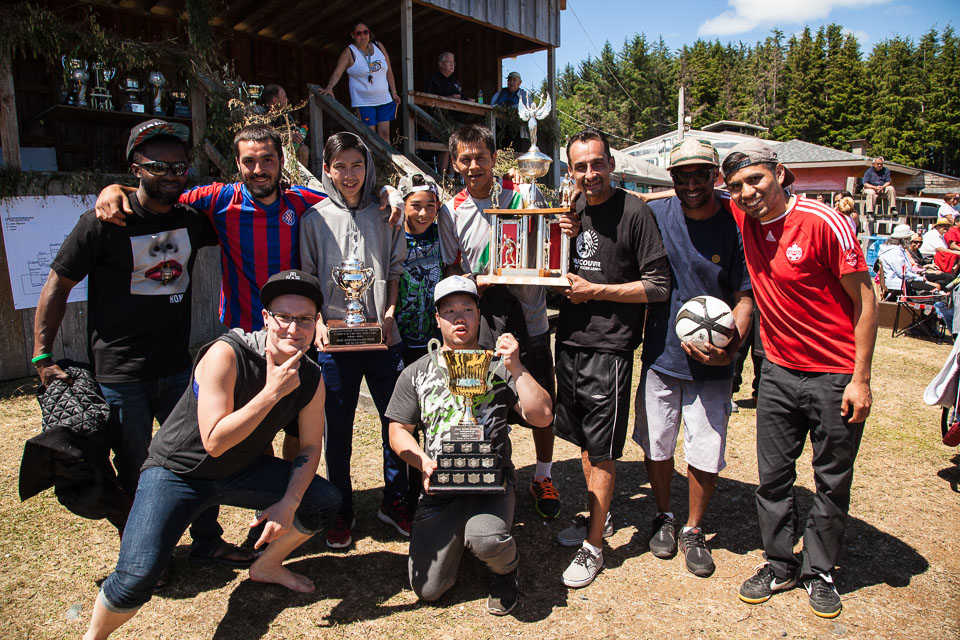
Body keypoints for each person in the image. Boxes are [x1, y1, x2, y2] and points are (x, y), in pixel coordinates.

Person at [34, 119, 248, 569]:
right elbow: (57, 285)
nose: (170, 175)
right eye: (158, 166)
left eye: (179, 167)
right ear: (135, 168)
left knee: (198, 456)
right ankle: (146, 555)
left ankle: (207, 540)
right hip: (121, 374)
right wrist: (42, 355)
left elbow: (243, 205)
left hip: (177, 368)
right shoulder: (103, 223)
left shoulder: (192, 221)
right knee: (136, 468)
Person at [81, 269, 341, 640]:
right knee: (135, 579)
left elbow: (312, 446)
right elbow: (214, 441)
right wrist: (272, 392)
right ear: (266, 318)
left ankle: (266, 566)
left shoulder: (311, 377)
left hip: (240, 471)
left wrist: (288, 503)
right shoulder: (226, 353)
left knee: (323, 501)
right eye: (284, 317)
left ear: (316, 323)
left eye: (304, 319)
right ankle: (94, 636)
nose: (293, 328)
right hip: (177, 472)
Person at [721, 140, 877, 619]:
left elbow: (866, 300)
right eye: (736, 186)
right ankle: (779, 563)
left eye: (756, 179)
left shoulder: (823, 222)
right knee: (773, 478)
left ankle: (820, 571)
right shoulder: (744, 216)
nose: (747, 192)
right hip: (777, 372)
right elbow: (681, 195)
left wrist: (861, 378)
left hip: (834, 374)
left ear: (781, 173)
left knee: (831, 479)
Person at [386, 275, 552, 615]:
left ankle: (505, 568)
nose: (459, 318)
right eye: (450, 311)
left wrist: (517, 366)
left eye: (467, 309)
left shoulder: (499, 365)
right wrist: (423, 462)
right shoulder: (417, 371)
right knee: (428, 589)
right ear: (437, 319)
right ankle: (457, 537)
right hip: (440, 485)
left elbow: (542, 416)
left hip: (491, 483)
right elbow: (398, 430)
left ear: (478, 314)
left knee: (486, 539)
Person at [553, 128, 671, 588]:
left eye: (597, 163)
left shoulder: (635, 212)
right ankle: (597, 517)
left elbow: (657, 287)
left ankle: (594, 548)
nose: (590, 174)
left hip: (610, 347)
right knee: (585, 440)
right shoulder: (572, 209)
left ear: (611, 164)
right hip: (570, 341)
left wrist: (596, 291)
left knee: (602, 450)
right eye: (580, 167)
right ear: (570, 171)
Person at [633, 138, 753, 578]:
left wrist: (729, 350)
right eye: (682, 176)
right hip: (661, 354)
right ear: (672, 178)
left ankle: (694, 528)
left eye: (701, 175)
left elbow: (745, 297)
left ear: (715, 176)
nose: (691, 184)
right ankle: (664, 515)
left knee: (705, 449)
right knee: (658, 443)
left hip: (713, 363)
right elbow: (628, 201)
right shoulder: (658, 214)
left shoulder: (735, 224)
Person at [438, 123, 565, 520]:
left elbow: (549, 240)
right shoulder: (451, 210)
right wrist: (474, 281)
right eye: (465, 159)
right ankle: (489, 469)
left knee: (541, 403)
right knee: (482, 404)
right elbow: (452, 268)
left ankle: (543, 475)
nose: (473, 166)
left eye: (481, 157)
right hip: (482, 326)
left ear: (495, 158)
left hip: (531, 319)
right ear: (454, 162)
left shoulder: (523, 193)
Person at [299, 132, 409, 548]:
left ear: (368, 168)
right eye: (340, 166)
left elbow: (394, 271)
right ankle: (340, 508)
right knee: (337, 430)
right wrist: (318, 324)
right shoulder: (314, 219)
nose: (349, 175)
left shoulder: (387, 213)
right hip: (334, 344)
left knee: (395, 422)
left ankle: (395, 500)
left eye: (357, 165)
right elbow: (310, 278)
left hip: (383, 338)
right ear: (327, 170)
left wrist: (390, 313)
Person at [319, 20, 401, 142]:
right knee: (369, 138)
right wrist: (330, 86)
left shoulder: (379, 46)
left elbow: (389, 70)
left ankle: (386, 156)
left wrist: (394, 92)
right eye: (358, 33)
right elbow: (337, 73)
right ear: (353, 35)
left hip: (384, 99)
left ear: (369, 33)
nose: (363, 36)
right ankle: (370, 156)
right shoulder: (349, 52)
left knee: (385, 135)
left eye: (365, 32)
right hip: (364, 102)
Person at [396, 172, 444, 365]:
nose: (423, 214)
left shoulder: (442, 234)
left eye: (430, 206)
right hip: (398, 338)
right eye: (415, 206)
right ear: (402, 205)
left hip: (436, 337)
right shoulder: (392, 236)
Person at [424, 52, 463, 179]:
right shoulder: (434, 80)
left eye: (453, 62)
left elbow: (462, 97)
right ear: (441, 64)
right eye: (449, 62)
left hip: (456, 119)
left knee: (456, 148)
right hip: (440, 119)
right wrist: (448, 99)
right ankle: (442, 178)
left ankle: (451, 178)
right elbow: (428, 100)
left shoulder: (456, 82)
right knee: (445, 147)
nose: (452, 65)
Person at [877, 224, 941, 295]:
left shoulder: (898, 249)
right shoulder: (894, 252)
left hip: (902, 281)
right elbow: (902, 273)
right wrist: (920, 279)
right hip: (898, 283)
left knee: (934, 285)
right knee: (934, 290)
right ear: (904, 240)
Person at [261, 84, 310, 167]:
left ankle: (298, 175)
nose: (287, 100)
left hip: (287, 149)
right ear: (275, 100)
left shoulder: (284, 114)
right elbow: (263, 136)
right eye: (284, 97)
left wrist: (297, 135)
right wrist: (286, 136)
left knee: (304, 149)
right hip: (268, 150)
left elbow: (294, 129)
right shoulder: (261, 115)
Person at [491, 72, 530, 152]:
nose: (511, 82)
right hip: (500, 128)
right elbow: (492, 105)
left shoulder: (523, 95)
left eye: (514, 80)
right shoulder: (501, 93)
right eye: (509, 80)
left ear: (520, 82)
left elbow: (528, 108)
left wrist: (513, 108)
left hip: (516, 128)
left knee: (515, 151)